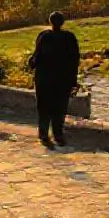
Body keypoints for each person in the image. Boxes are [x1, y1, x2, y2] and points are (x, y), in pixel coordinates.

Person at [26, 11, 81, 149]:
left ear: (50, 22)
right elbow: (75, 60)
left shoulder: (44, 36)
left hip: (44, 78)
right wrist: (73, 80)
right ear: (62, 22)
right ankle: (58, 135)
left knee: (44, 107)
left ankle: (44, 134)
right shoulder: (70, 37)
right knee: (60, 108)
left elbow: (37, 57)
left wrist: (31, 64)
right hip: (63, 79)